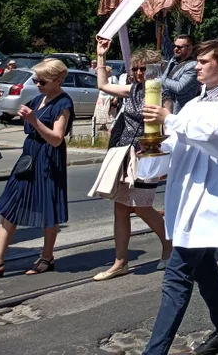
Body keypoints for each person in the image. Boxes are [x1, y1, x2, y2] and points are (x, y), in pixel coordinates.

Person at [140, 39, 218, 355]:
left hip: (211, 201)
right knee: (205, 271)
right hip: (188, 199)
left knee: (176, 279)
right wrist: (153, 150)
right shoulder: (193, 105)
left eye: (203, 62)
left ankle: (154, 351)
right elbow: (178, 144)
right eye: (198, 61)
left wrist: (169, 119)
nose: (197, 66)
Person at [0, 59, 74, 281]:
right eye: (35, 80)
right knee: (11, 205)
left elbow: (56, 139)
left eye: (42, 81)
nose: (37, 84)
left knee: (47, 206)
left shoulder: (63, 102)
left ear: (58, 80)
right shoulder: (39, 98)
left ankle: (47, 256)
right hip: (29, 157)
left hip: (47, 159)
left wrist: (34, 121)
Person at [91, 39, 172, 281]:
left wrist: (152, 145)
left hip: (145, 155)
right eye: (135, 68)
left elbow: (167, 123)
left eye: (143, 68)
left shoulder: (161, 91)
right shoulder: (134, 89)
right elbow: (103, 84)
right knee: (120, 208)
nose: (138, 73)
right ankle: (120, 262)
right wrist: (101, 56)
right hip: (124, 152)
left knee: (142, 207)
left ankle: (169, 244)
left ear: (154, 69)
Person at [162, 34, 199, 114]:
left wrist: (161, 79)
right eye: (174, 46)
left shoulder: (193, 66)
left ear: (190, 48)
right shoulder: (173, 60)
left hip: (180, 114)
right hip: (167, 110)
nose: (175, 49)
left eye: (179, 47)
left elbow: (179, 87)